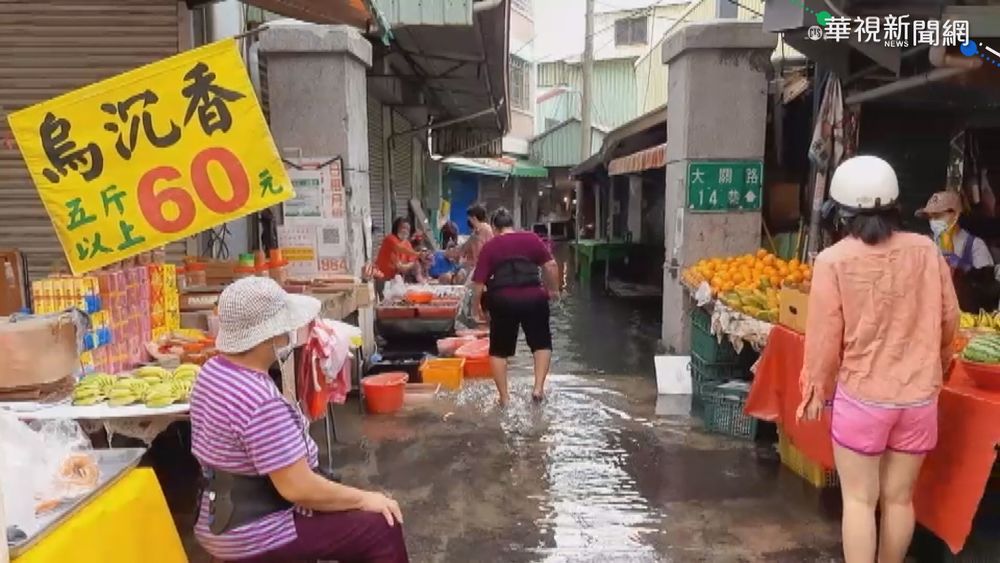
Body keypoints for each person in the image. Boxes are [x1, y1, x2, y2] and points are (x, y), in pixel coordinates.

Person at [798, 156, 959, 563]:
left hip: (863, 398)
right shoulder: (926, 250)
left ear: (840, 212)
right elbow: (949, 318)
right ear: (894, 207)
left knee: (858, 501)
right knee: (901, 500)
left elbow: (823, 337)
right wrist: (937, 363)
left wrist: (816, 387)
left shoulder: (833, 261)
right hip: (920, 398)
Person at [189, 277, 409, 563]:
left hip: (217, 517)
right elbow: (298, 488)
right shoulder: (259, 400)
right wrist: (365, 499)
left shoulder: (211, 371)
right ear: (269, 335)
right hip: (256, 532)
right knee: (381, 524)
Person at [471, 208, 560, 406]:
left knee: (499, 351)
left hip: (503, 300)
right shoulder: (531, 238)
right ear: (512, 224)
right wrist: (553, 290)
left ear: (494, 227)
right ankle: (537, 389)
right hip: (534, 298)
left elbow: (478, 284)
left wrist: (475, 307)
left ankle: (504, 398)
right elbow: (551, 266)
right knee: (541, 344)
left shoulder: (491, 246)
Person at [917, 191, 1000, 311]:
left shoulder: (975, 246)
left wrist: (962, 267)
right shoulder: (926, 244)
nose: (933, 221)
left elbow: (987, 288)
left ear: (955, 215)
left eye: (937, 216)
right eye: (930, 217)